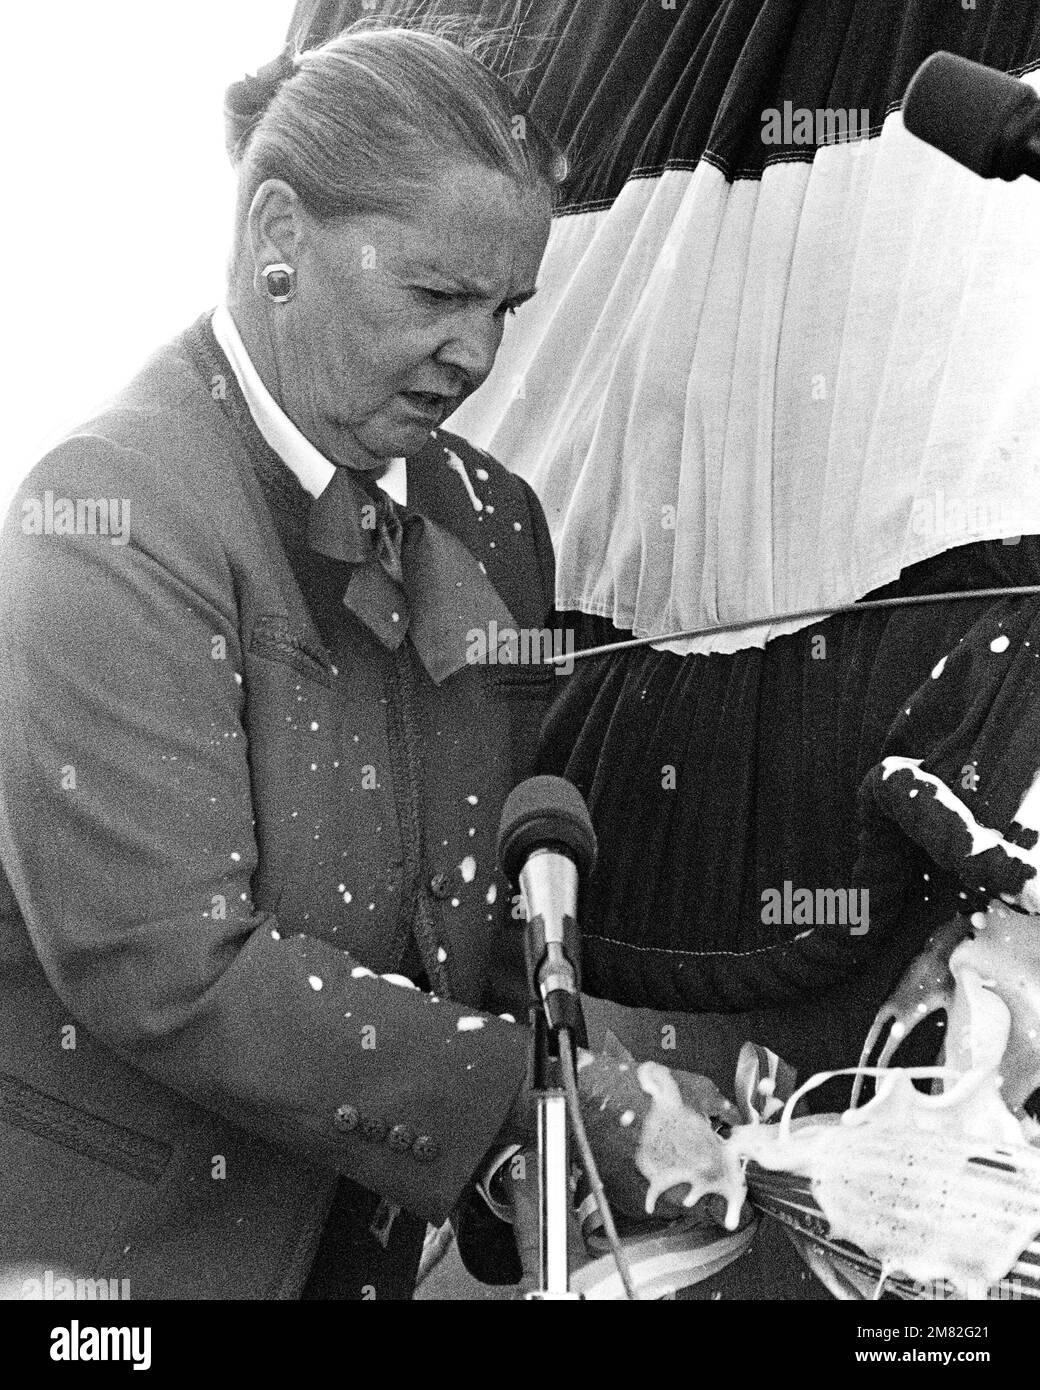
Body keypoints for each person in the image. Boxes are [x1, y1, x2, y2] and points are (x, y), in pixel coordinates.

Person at [0, 21, 729, 1300]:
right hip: (119, 1265)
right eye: (436, 296)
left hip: (371, 1252)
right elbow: (163, 962)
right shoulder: (110, 509)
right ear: (277, 236)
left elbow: (497, 891)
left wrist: (577, 1108)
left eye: (505, 307)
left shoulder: (495, 518)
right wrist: (514, 1093)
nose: (477, 355)